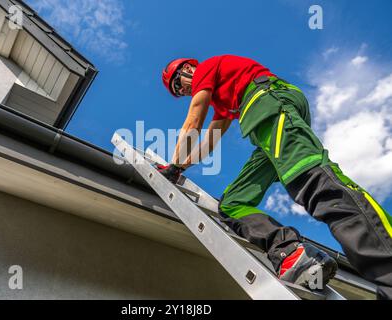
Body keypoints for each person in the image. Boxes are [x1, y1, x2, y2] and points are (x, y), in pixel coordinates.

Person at [158, 55, 392, 299]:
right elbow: (212, 137)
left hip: (270, 103)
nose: (184, 91)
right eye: (179, 91)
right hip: (263, 120)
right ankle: (290, 252)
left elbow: (195, 116)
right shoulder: (223, 102)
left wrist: (172, 164)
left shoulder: (206, 68)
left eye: (179, 84)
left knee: (311, 180)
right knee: (232, 204)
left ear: (187, 68)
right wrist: (182, 166)